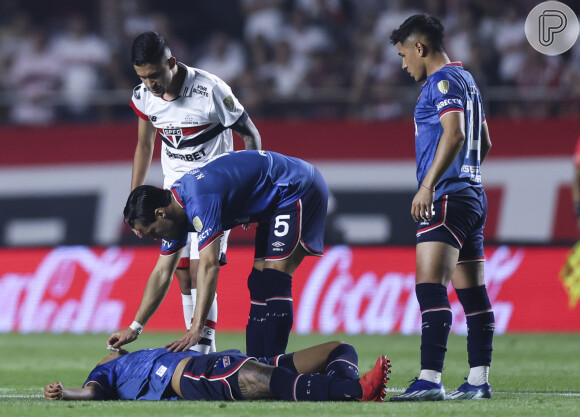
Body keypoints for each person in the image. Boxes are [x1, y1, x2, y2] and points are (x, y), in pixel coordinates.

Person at [107, 150, 328, 358]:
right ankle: (258, 365)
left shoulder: (199, 200)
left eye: (152, 232)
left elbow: (209, 265)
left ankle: (273, 369)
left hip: (296, 187)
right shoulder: (176, 210)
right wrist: (135, 328)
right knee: (259, 282)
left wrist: (197, 329)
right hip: (271, 202)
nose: (156, 238)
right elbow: (162, 272)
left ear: (160, 214)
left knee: (274, 278)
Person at [129, 32, 262, 353]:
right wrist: (136, 198)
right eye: (144, 78)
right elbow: (145, 144)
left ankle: (202, 350)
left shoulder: (211, 90)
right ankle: (200, 350)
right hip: (173, 195)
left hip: (214, 194)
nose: (151, 85)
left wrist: (250, 195)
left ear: (171, 63)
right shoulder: (144, 97)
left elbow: (251, 135)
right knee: (181, 272)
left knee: (204, 265)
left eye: (156, 76)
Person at [388, 14, 494, 401]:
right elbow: (483, 141)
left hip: (447, 197)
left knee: (430, 287)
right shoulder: (469, 81)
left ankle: (430, 379)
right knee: (473, 295)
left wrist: (430, 184)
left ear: (420, 47)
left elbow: (457, 132)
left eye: (404, 55)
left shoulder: (443, 82)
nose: (403, 65)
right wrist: (468, 176)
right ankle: (479, 380)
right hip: (471, 196)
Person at [44, 341, 390, 402]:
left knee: (338, 349)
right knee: (260, 378)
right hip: (191, 376)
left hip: (217, 360)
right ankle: (353, 390)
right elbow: (92, 392)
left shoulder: (134, 356)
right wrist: (66, 393)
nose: (112, 353)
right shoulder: (107, 372)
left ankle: (342, 382)